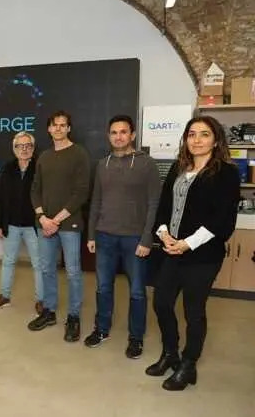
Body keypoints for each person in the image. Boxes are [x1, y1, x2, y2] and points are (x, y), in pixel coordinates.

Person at [146, 116, 240, 391]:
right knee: (161, 303)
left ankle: (188, 364)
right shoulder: (178, 167)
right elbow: (164, 207)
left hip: (203, 255)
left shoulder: (225, 173)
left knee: (193, 311)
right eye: (192, 134)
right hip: (171, 251)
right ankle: (170, 353)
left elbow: (222, 219)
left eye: (204, 134)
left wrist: (187, 243)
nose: (197, 140)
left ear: (216, 140)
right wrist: (163, 234)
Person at [84, 115, 161, 358]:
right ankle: (101, 329)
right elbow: (96, 201)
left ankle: (136, 337)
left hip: (134, 239)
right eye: (114, 132)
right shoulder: (102, 164)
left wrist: (147, 238)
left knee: (137, 291)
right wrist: (91, 234)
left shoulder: (147, 164)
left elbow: (154, 203)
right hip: (104, 236)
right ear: (109, 136)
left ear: (132, 135)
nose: (118, 136)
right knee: (103, 287)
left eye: (123, 132)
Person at [27, 111, 90, 342]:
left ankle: (73, 317)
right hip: (45, 224)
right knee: (46, 269)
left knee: (73, 272)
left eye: (63, 125)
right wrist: (43, 217)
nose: (59, 129)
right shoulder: (44, 157)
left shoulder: (79, 153)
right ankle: (49, 311)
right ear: (49, 129)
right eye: (55, 125)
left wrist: (56, 219)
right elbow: (35, 190)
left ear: (69, 128)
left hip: (69, 224)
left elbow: (81, 192)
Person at [0, 132, 44, 314]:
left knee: (39, 264)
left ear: (33, 148)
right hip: (11, 224)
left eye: (28, 145)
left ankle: (41, 300)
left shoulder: (40, 167)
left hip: (34, 225)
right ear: (14, 149)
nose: (24, 149)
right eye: (20, 146)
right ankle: (4, 296)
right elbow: (0, 197)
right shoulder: (8, 168)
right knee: (8, 262)